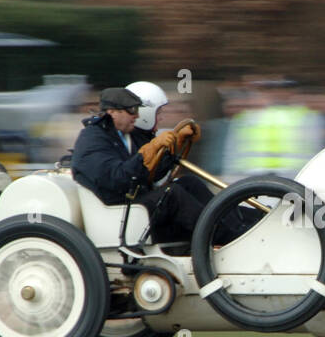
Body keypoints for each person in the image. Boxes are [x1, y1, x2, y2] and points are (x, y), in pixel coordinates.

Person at [71, 84, 254, 245]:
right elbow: (119, 179)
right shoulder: (93, 140)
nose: (136, 115)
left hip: (132, 201)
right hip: (118, 209)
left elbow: (150, 174)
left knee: (188, 183)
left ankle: (248, 222)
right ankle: (230, 237)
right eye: (131, 110)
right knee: (170, 195)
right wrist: (145, 156)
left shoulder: (121, 135)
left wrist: (176, 146)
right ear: (112, 112)